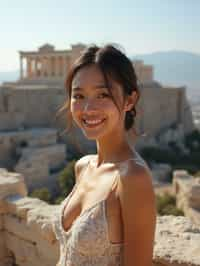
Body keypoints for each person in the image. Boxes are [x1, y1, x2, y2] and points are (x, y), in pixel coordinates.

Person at [52, 44, 157, 266]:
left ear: (129, 100)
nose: (88, 108)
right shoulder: (83, 167)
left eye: (103, 94)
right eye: (78, 95)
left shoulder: (132, 177)